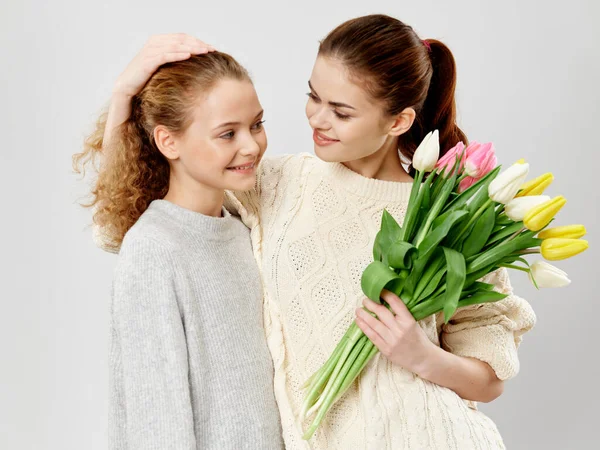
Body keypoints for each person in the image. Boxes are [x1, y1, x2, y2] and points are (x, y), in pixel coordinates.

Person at [101, 16, 536, 449]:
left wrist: (421, 356)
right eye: (314, 96)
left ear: (398, 122)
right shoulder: (279, 183)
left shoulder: (449, 216)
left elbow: (490, 379)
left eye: (341, 111)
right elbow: (154, 200)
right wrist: (126, 96)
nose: (318, 119)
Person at [74, 39, 284, 449]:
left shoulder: (245, 221)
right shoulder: (154, 249)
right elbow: (156, 418)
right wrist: (123, 94)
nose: (251, 145)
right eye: (227, 133)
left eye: (256, 124)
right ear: (168, 142)